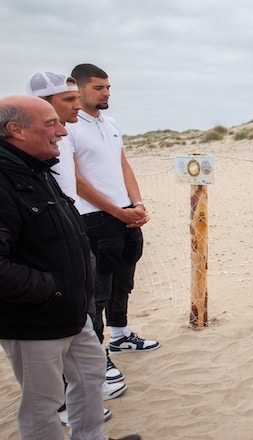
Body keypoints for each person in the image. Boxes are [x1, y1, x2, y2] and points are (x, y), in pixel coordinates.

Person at [0, 95, 141, 440]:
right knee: (43, 403)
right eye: (51, 124)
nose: (63, 131)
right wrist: (52, 288)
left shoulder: (36, 167)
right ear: (14, 130)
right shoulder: (5, 180)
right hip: (33, 320)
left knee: (91, 376)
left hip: (72, 312)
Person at [26, 71, 127, 426]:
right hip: (54, 257)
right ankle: (65, 404)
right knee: (68, 327)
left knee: (88, 308)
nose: (73, 111)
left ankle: (83, 411)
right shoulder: (26, 155)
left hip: (74, 239)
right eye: (68, 101)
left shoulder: (64, 134)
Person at [62, 64, 159, 365]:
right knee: (97, 290)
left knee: (124, 279)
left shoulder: (111, 122)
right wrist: (116, 211)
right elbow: (76, 180)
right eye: (98, 88)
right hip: (94, 217)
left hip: (126, 214)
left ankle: (121, 335)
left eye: (108, 87)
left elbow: (124, 165)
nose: (106, 93)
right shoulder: (69, 127)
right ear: (78, 90)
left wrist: (137, 204)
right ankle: (96, 354)